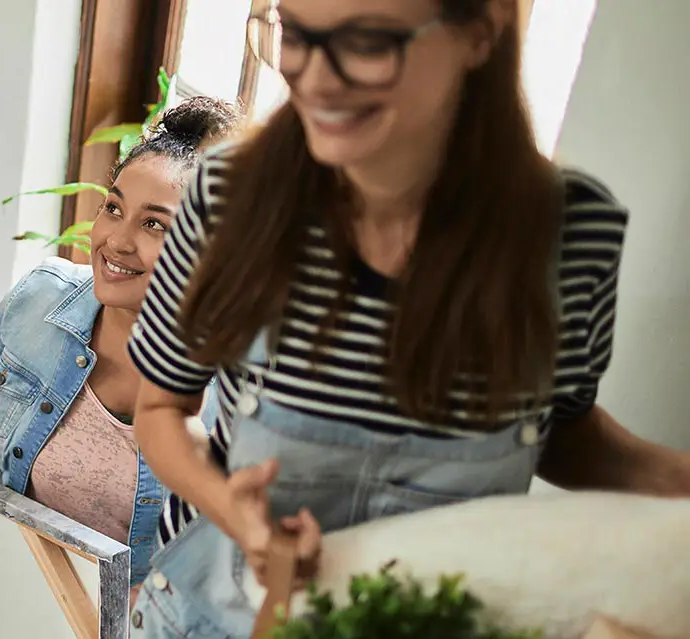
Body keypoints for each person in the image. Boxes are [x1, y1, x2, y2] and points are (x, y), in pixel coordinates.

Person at [125, 1, 690, 636]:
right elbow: (162, 408)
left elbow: (557, 430)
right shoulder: (229, 196)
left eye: (366, 41)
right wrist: (236, 512)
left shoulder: (573, 236)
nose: (317, 80)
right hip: (214, 616)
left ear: (480, 32)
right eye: (298, 33)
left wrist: (677, 479)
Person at [0, 96, 243, 598]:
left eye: (155, 224)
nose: (117, 241)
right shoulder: (44, 296)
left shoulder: (241, 389)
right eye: (113, 209)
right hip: (18, 590)